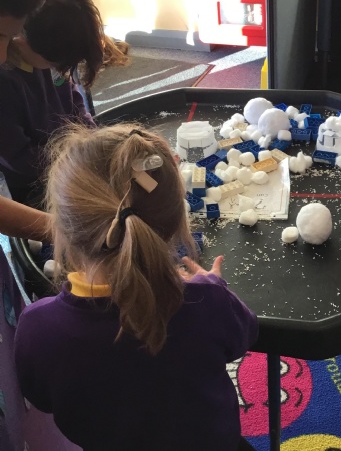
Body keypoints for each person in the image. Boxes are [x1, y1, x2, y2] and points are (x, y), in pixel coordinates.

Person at [14, 123, 259, 450]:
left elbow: (41, 398)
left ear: (61, 229)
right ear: (177, 222)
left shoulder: (37, 327)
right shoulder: (207, 300)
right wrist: (213, 285)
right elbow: (244, 336)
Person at [0, 0, 128, 205]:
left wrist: (92, 137)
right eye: (55, 64)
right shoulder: (7, 83)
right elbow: (19, 159)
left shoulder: (47, 57)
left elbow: (74, 102)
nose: (60, 70)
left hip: (71, 160)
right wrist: (76, 159)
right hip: (34, 185)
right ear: (20, 41)